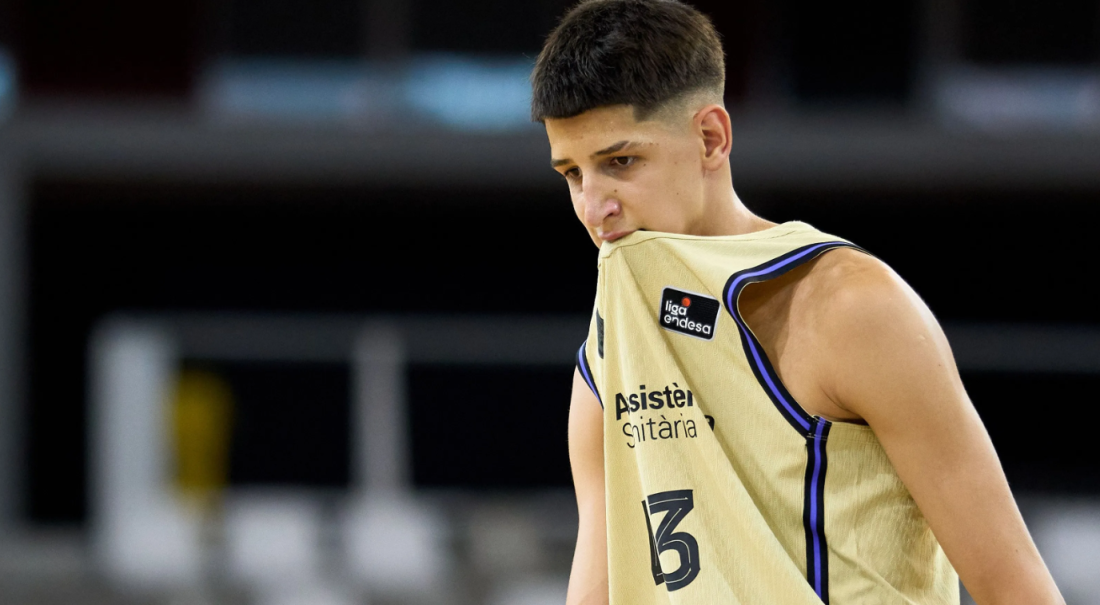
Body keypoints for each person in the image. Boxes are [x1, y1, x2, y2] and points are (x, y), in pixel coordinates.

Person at [530, 1, 1065, 603]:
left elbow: (1018, 590)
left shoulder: (850, 306)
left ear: (710, 138)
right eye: (572, 174)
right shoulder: (609, 354)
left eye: (620, 162)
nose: (593, 207)